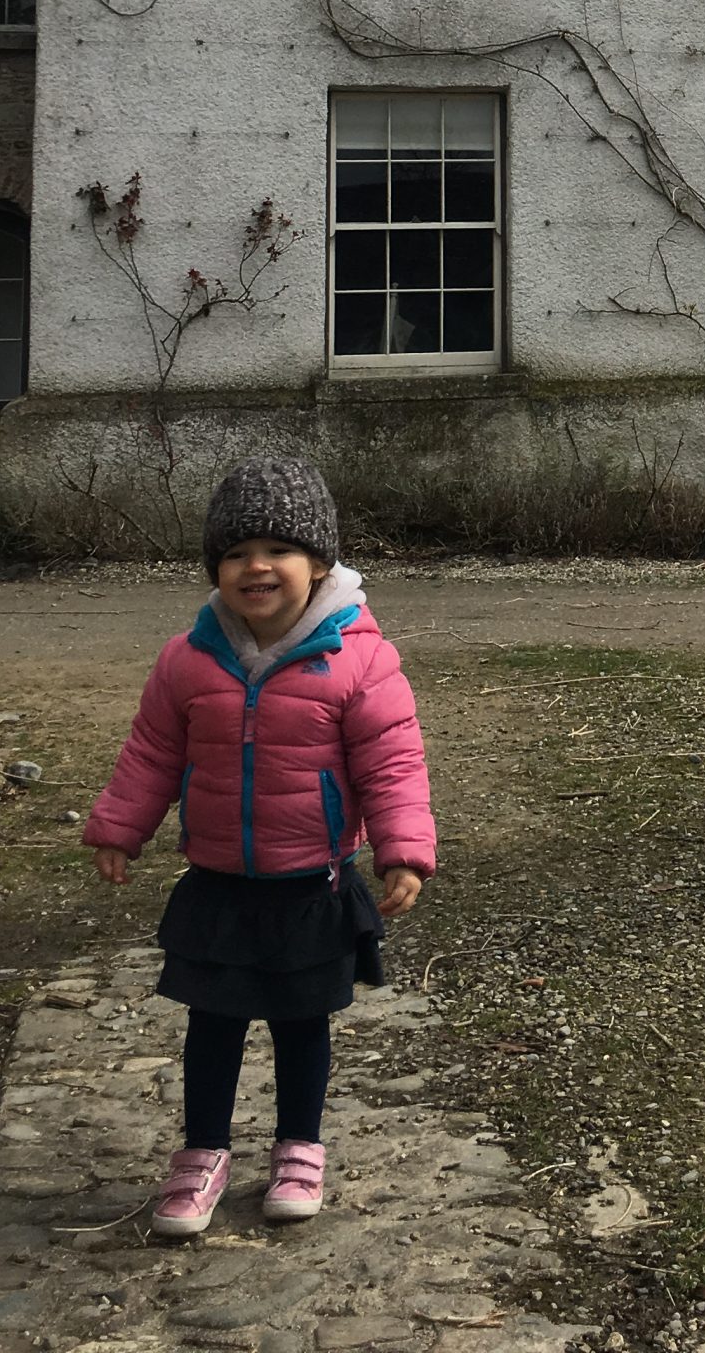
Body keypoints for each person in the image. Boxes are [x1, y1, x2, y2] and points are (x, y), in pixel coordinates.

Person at [83, 456, 435, 1235]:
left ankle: (299, 1147)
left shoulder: (360, 658)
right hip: (218, 884)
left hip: (311, 885)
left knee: (302, 1024)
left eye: (279, 549)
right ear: (216, 568)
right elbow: (152, 752)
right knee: (212, 1021)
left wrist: (403, 850)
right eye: (237, 553)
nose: (257, 566)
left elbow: (393, 762)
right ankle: (202, 1153)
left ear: (320, 563)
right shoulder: (187, 659)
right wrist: (120, 828)